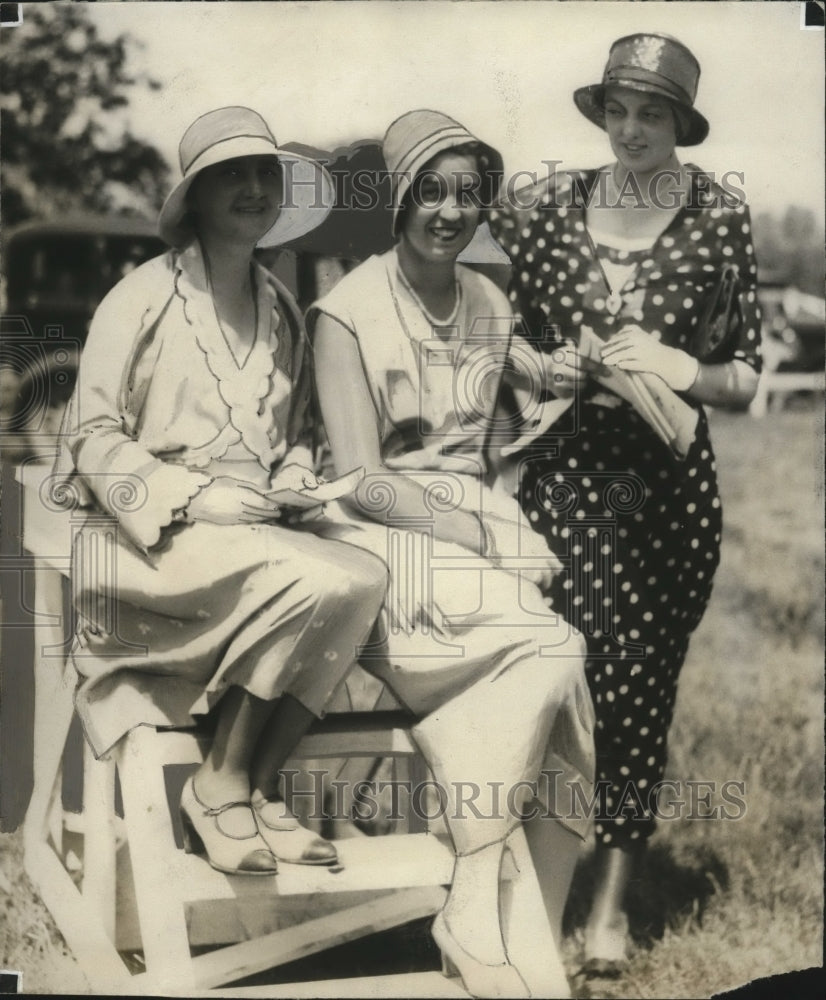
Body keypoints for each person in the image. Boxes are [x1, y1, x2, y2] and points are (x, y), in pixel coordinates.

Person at [488, 34, 762, 976]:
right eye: (619, 109)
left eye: (653, 113)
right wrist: (539, 368)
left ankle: (609, 905)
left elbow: (746, 374)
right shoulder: (545, 211)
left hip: (667, 498)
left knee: (637, 692)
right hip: (563, 484)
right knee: (556, 681)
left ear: (681, 123)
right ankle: (533, 889)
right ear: (600, 113)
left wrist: (683, 367)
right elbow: (500, 342)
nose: (633, 129)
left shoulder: (720, 218)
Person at [52, 107, 388, 875]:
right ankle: (221, 789)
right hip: (146, 550)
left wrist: (296, 474)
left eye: (266, 173)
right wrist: (195, 499)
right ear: (194, 197)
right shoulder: (137, 300)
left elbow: (298, 428)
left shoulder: (283, 309)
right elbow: (91, 438)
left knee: (366, 576)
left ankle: (255, 788)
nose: (254, 188)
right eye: (231, 174)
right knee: (307, 576)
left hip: (251, 539)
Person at [308, 109, 595, 999]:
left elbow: (490, 439)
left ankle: (528, 940)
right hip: (383, 535)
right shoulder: (344, 311)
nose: (449, 211)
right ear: (399, 199)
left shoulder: (490, 302)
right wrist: (467, 532)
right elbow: (359, 477)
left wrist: (550, 387)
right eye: (431, 191)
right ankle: (473, 904)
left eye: (468, 195)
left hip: (473, 529)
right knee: (557, 651)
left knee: (572, 721)